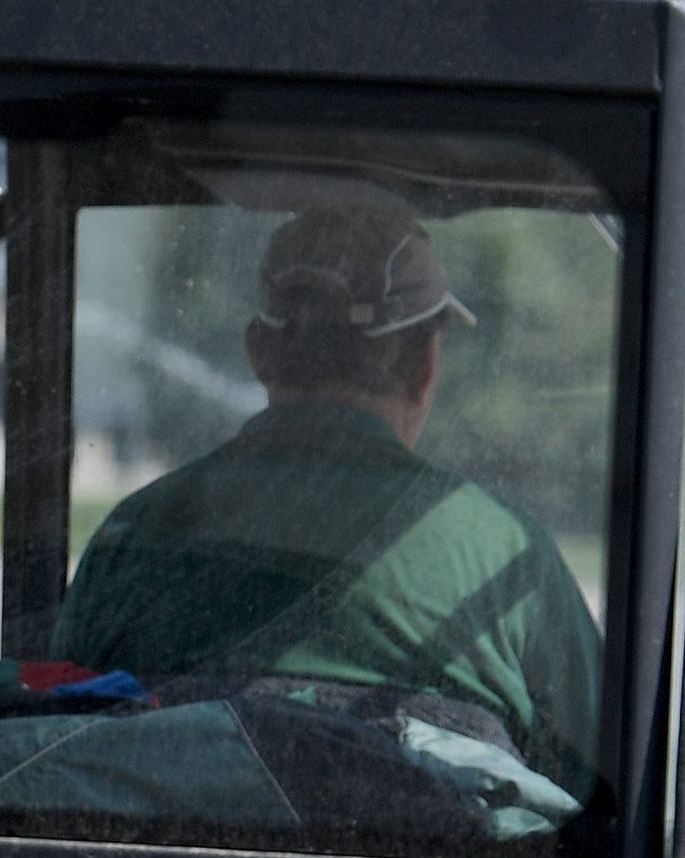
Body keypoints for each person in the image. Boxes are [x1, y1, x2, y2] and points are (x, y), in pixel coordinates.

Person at [53, 201, 606, 799]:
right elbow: (608, 798)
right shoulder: (508, 559)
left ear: (257, 350)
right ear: (426, 367)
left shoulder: (133, 534)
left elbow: (57, 746)